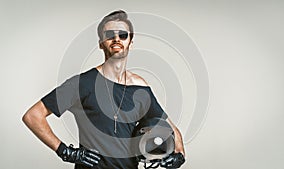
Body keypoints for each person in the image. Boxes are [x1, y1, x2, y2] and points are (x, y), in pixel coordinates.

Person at [22, 10, 186, 169]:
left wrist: (179, 156)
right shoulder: (82, 83)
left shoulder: (140, 87)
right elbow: (33, 116)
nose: (116, 39)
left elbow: (171, 128)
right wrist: (66, 152)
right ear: (101, 43)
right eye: (109, 35)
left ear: (131, 42)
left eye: (122, 35)